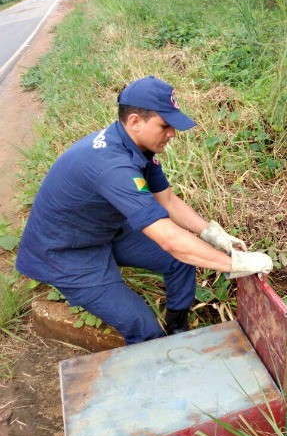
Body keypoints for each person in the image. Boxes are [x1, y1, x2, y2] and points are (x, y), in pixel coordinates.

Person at [15, 76, 272, 345]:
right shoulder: (112, 166)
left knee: (182, 260)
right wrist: (235, 264)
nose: (172, 133)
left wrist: (211, 234)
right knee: (143, 328)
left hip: (102, 230)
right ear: (135, 121)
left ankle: (177, 329)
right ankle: (158, 357)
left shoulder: (137, 147)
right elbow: (169, 238)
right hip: (65, 253)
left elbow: (168, 201)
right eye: (165, 125)